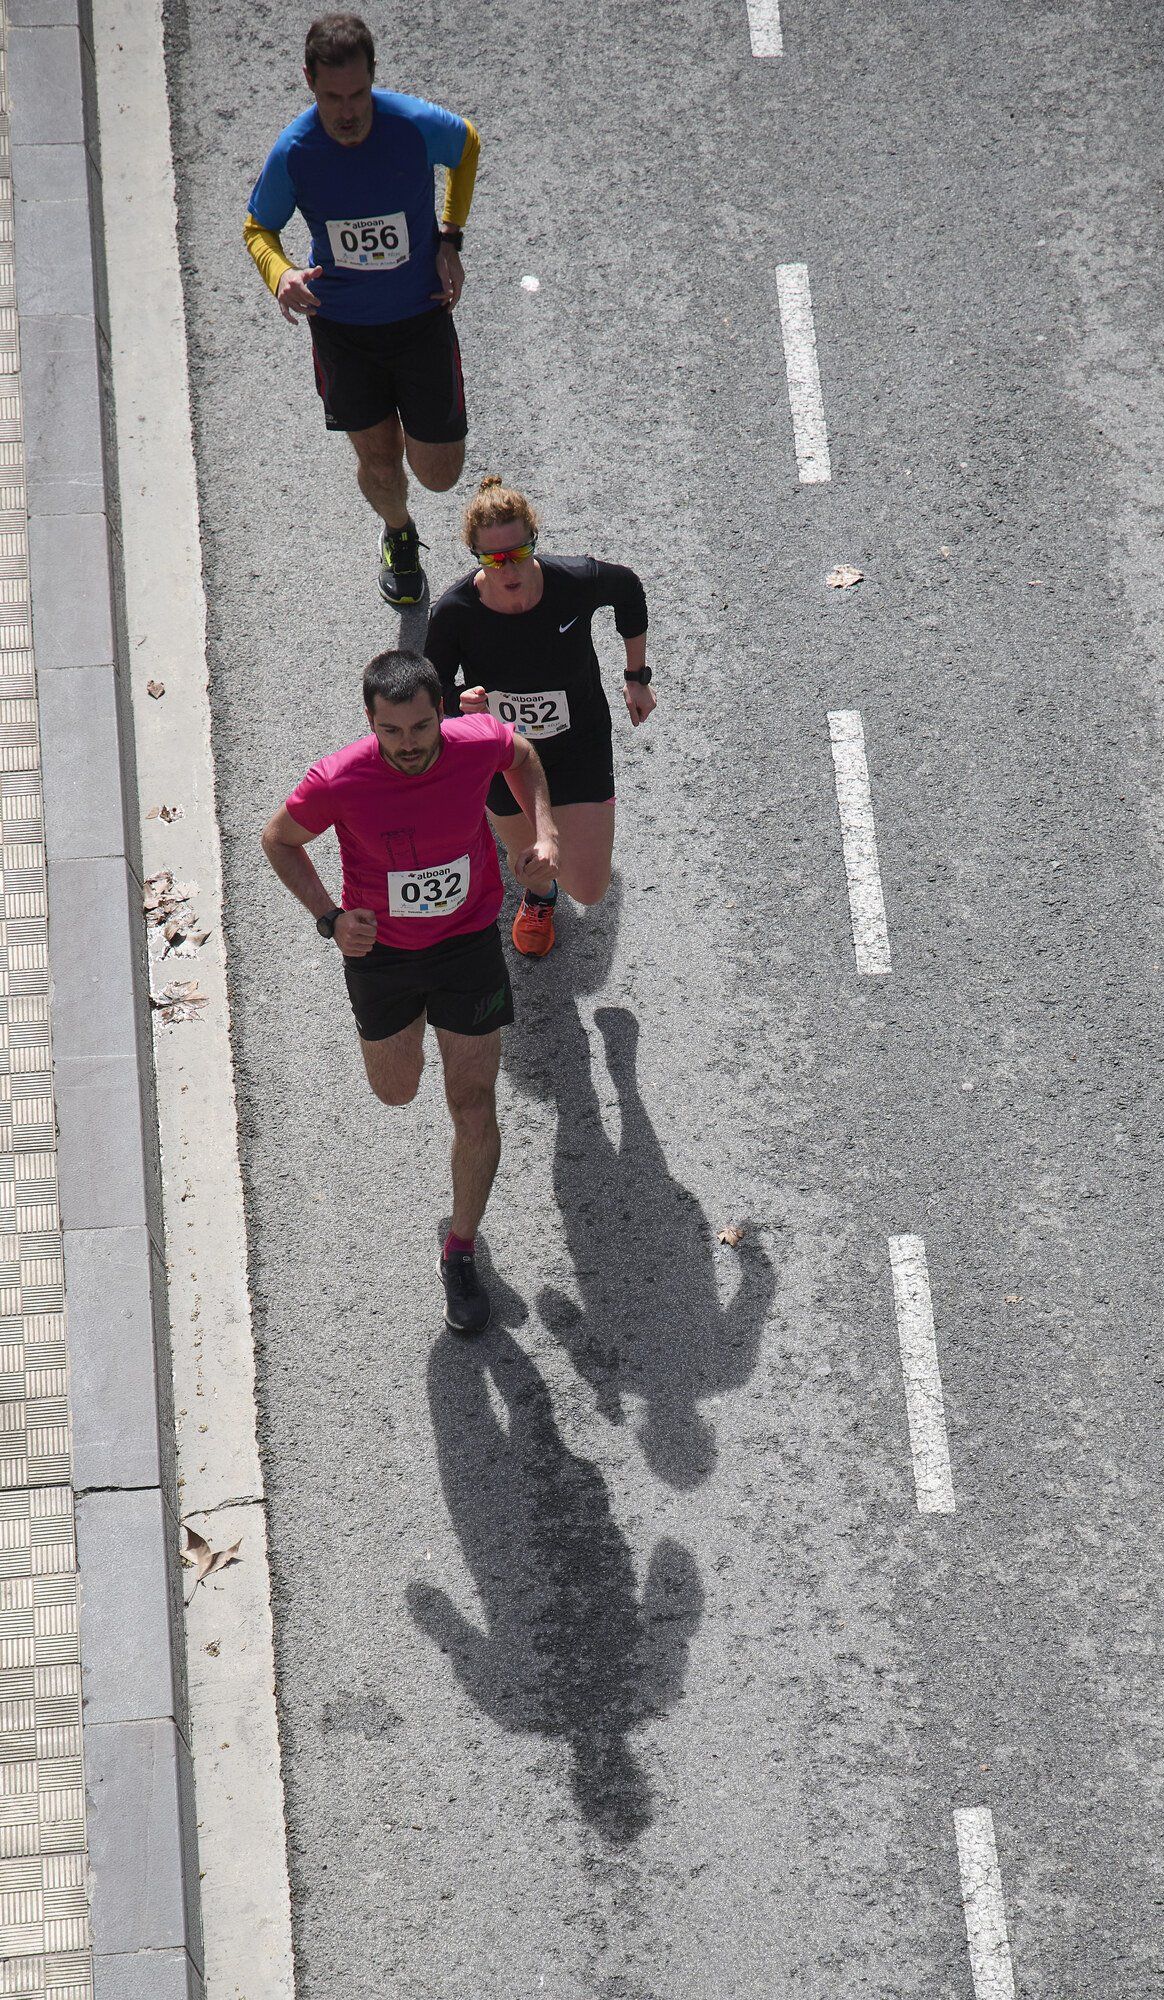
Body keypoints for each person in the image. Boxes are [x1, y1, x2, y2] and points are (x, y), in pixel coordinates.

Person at [259, 650, 558, 1333]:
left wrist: (544, 832)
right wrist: (330, 919)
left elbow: (521, 754)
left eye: (421, 727)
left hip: (467, 944)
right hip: (383, 958)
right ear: (370, 722)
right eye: (391, 731)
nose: (409, 744)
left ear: (441, 714)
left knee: (473, 1102)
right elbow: (278, 839)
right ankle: (414, 1027)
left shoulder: (472, 741)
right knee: (396, 1090)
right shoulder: (339, 778)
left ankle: (460, 1250)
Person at [244, 13, 479, 608]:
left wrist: (450, 238)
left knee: (440, 473)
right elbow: (258, 228)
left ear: (373, 77)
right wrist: (281, 274)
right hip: (343, 331)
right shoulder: (296, 152)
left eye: (357, 95)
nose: (346, 113)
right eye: (331, 98)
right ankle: (398, 533)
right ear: (310, 82)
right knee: (378, 457)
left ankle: (413, 469)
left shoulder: (412, 125)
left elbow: (467, 145)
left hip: (420, 317)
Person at [424, 477, 653, 958]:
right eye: (493, 559)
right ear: (476, 555)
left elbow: (629, 589)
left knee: (589, 888)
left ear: (534, 540)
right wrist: (459, 701)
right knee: (531, 859)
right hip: (503, 756)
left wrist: (636, 675)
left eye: (518, 553)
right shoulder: (454, 612)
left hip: (578, 742)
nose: (508, 568)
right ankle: (540, 898)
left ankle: (557, 866)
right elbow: (432, 687)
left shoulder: (574, 581)